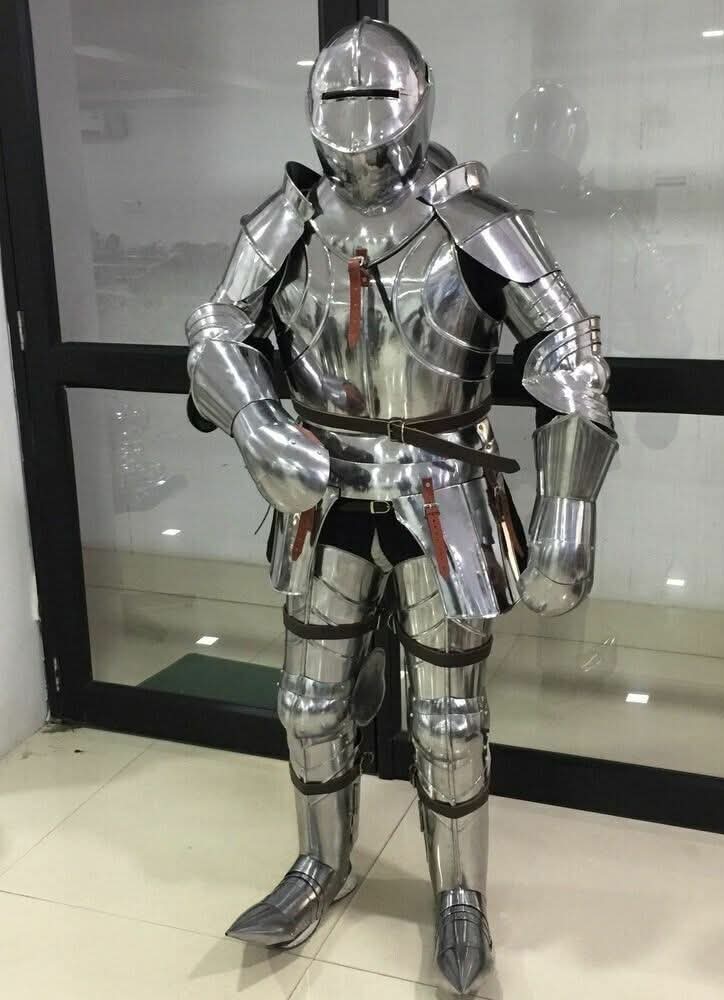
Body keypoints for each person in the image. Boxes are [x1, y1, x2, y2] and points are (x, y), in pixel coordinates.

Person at [185, 19, 617, 995]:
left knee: (450, 722)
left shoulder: (473, 221)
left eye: (375, 108)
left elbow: (567, 349)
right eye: (340, 108)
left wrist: (567, 514)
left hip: (446, 496)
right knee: (308, 703)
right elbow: (216, 329)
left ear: (414, 106)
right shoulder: (289, 221)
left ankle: (460, 894)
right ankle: (318, 863)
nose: (361, 140)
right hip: (321, 489)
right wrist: (256, 421)